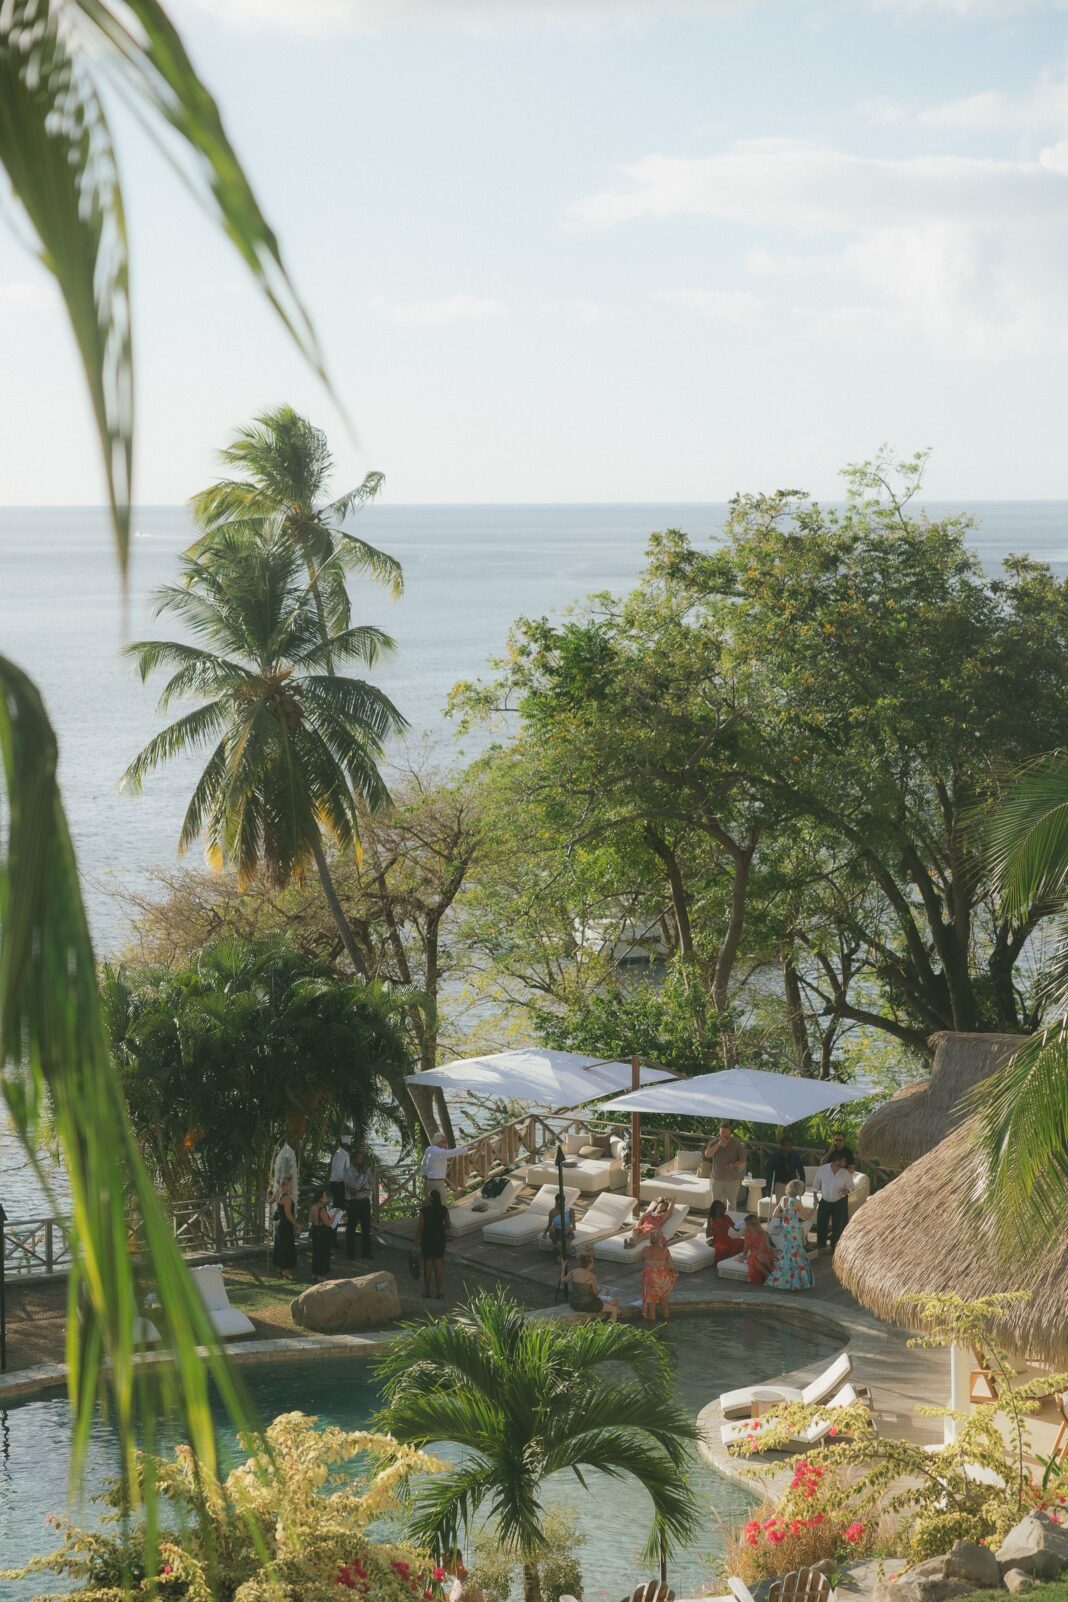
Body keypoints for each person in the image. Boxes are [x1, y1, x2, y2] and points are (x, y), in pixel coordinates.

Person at [765, 1179, 815, 1291]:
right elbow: (807, 1217)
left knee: (789, 1251)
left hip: (786, 1228)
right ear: (798, 1189)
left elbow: (775, 1214)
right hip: (794, 1229)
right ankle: (796, 1281)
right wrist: (815, 1207)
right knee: (797, 1251)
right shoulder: (796, 1202)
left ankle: (786, 1278)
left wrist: (786, 1213)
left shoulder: (783, 1199)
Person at [563, 1247, 620, 1320]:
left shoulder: (574, 1271)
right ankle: (612, 1328)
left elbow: (562, 1280)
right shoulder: (591, 1276)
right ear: (590, 1264)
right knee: (613, 1309)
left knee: (606, 1302)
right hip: (586, 1304)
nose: (593, 1264)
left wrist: (563, 1267)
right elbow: (595, 1293)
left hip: (574, 1304)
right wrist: (598, 1290)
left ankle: (614, 1308)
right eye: (593, 1263)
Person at [813, 1152, 854, 1253]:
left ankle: (834, 1247)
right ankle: (821, 1244)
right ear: (837, 1161)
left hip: (839, 1202)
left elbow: (851, 1187)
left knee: (837, 1226)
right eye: (844, 1161)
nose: (846, 1163)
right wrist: (815, 1198)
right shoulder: (823, 1169)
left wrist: (846, 1191)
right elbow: (815, 1185)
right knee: (821, 1223)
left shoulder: (845, 1173)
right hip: (825, 1201)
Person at [415, 1190, 450, 1299]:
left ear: (430, 1199)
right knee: (438, 1267)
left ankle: (428, 1291)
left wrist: (415, 1242)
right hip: (439, 1239)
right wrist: (439, 1227)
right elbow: (448, 1225)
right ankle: (439, 1292)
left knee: (428, 1266)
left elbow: (420, 1227)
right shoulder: (443, 1209)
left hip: (427, 1239)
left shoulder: (424, 1210)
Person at [703, 1122, 747, 1208]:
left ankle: (730, 1220)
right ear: (719, 1132)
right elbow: (707, 1154)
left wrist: (733, 1165)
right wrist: (719, 1144)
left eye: (726, 1132)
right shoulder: (714, 1142)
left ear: (730, 1132)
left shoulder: (737, 1144)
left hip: (732, 1179)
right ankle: (716, 1220)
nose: (724, 1134)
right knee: (716, 1204)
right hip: (716, 1178)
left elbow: (743, 1159)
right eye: (722, 1132)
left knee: (731, 1204)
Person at [343, 1146, 376, 1260]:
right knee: (351, 1228)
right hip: (353, 1203)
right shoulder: (348, 1172)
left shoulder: (367, 1170)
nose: (361, 1161)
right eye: (359, 1159)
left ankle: (366, 1252)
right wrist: (362, 1176)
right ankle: (350, 1253)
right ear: (353, 1160)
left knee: (366, 1227)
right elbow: (354, 1187)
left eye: (362, 1158)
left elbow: (372, 1184)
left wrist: (361, 1189)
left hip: (364, 1201)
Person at [420, 1130, 469, 1202]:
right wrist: (468, 1148)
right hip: (437, 1183)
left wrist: (424, 1174)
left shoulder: (429, 1149)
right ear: (438, 1142)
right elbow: (453, 1152)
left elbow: (423, 1163)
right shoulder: (439, 1152)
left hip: (429, 1181)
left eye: (445, 1142)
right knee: (442, 1203)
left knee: (429, 1204)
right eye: (443, 1142)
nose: (445, 1144)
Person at [641, 1228, 677, 1322]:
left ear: (650, 1239)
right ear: (660, 1239)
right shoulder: (665, 1250)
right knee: (664, 1302)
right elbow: (671, 1266)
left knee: (651, 1304)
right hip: (663, 1278)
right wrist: (675, 1273)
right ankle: (666, 1324)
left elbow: (639, 1260)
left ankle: (651, 1328)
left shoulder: (645, 1249)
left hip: (650, 1277)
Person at [271, 1176, 297, 1280]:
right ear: (286, 1185)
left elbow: (269, 1201)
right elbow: (289, 1215)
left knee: (280, 1246)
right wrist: (297, 1224)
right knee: (287, 1246)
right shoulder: (287, 1198)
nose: (292, 1186)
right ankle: (286, 1271)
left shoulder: (278, 1193)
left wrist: (269, 1193)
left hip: (279, 1224)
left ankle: (280, 1269)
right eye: (291, 1184)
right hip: (285, 1225)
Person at [764, 1135, 806, 1201]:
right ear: (781, 1146)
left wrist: (803, 1186)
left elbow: (801, 1170)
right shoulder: (774, 1156)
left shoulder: (795, 1155)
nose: (788, 1147)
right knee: (781, 1206)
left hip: (792, 1184)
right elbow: (769, 1172)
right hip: (780, 1184)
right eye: (786, 1145)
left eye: (790, 1145)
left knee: (792, 1205)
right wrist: (769, 1188)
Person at [704, 1199, 744, 1263]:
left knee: (742, 1242)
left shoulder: (726, 1217)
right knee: (723, 1249)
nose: (722, 1209)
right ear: (715, 1209)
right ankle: (723, 1263)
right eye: (720, 1208)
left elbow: (736, 1229)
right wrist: (718, 1230)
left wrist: (738, 1225)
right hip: (718, 1241)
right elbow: (707, 1235)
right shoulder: (711, 1218)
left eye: (723, 1207)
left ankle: (729, 1261)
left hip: (728, 1239)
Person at [740, 1214, 775, 1285]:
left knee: (758, 1257)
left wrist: (754, 1255)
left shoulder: (762, 1234)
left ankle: (773, 1272)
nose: (746, 1226)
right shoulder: (747, 1232)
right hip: (754, 1254)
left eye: (747, 1224)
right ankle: (770, 1275)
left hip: (764, 1253)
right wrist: (743, 1256)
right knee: (753, 1258)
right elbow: (746, 1246)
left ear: (752, 1225)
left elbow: (761, 1249)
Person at [309, 1189, 335, 1282]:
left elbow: (311, 1220)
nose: (327, 1198)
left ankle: (314, 1273)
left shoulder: (313, 1207)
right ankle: (321, 1274)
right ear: (320, 1198)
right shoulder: (321, 1209)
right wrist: (334, 1215)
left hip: (315, 1231)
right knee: (323, 1253)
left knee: (316, 1252)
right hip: (322, 1232)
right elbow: (328, 1223)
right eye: (325, 1196)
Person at [328, 1134, 351, 1208]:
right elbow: (339, 1172)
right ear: (346, 1144)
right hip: (338, 1184)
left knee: (343, 1206)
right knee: (339, 1206)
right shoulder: (339, 1155)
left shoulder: (345, 1154)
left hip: (342, 1183)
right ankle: (336, 1219)